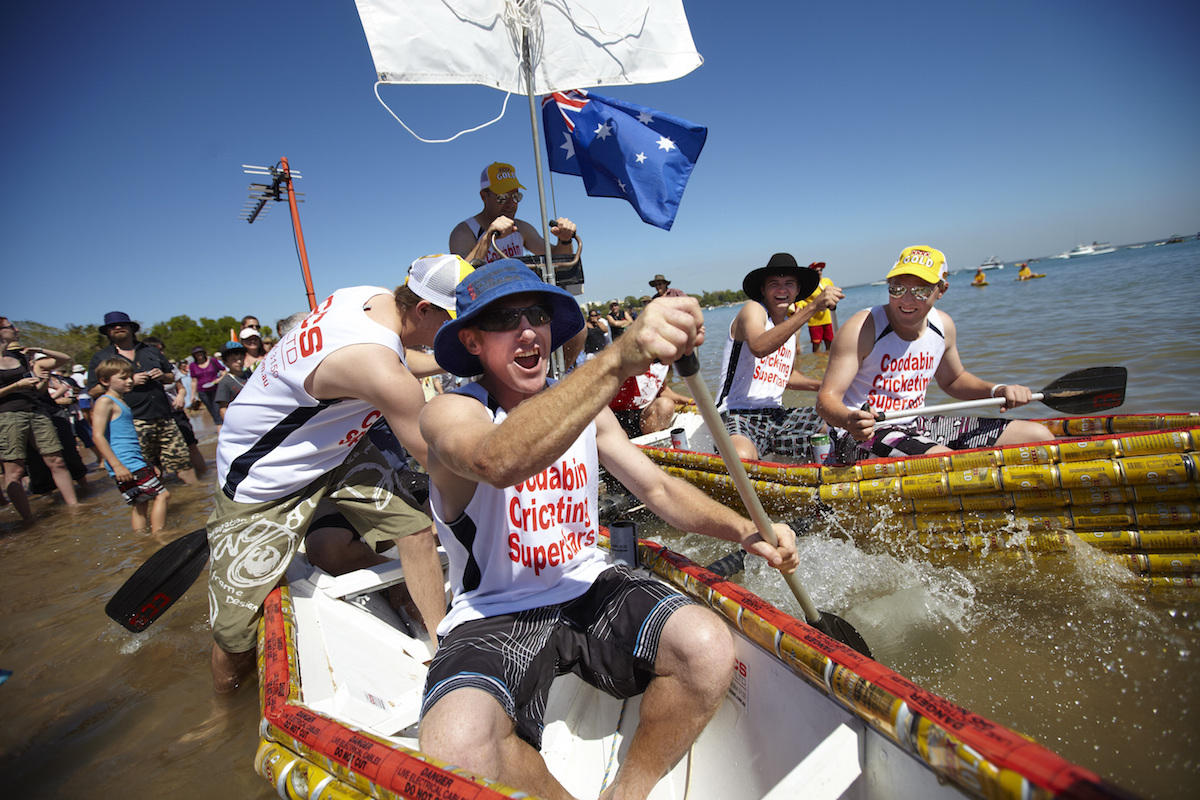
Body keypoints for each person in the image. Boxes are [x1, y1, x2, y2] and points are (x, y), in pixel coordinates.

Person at [416, 260, 798, 800]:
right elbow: (495, 460)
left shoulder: (588, 408)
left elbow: (658, 489)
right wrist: (618, 358)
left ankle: (629, 790)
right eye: (505, 319)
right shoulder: (452, 411)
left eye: (537, 314)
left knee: (708, 650)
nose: (527, 330)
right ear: (473, 341)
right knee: (457, 745)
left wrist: (744, 531)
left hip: (588, 583)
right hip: (493, 609)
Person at [205, 253, 474, 694]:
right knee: (235, 632)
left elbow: (403, 353)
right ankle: (222, 712)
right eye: (457, 326)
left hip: (334, 444)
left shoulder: (366, 297)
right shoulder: (380, 370)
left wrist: (459, 360)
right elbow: (440, 466)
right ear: (423, 310)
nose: (464, 337)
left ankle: (440, 639)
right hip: (266, 471)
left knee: (415, 531)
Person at [816, 245, 1056, 462]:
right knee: (946, 461)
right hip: (861, 434)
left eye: (921, 291)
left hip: (916, 423)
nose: (906, 300)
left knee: (1038, 436)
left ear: (941, 290)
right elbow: (826, 401)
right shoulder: (862, 328)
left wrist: (998, 390)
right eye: (897, 288)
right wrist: (850, 420)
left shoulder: (943, 326)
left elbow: (953, 380)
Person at [448, 162, 585, 364]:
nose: (511, 203)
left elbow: (556, 261)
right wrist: (488, 238)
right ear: (484, 196)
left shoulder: (521, 228)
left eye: (516, 196)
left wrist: (564, 239)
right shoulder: (464, 231)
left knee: (578, 330)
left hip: (521, 305)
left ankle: (549, 383)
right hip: (489, 312)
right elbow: (459, 278)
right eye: (503, 197)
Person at [715, 254, 845, 461]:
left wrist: (823, 385)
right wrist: (812, 308)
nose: (782, 290)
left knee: (838, 423)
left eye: (789, 284)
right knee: (741, 457)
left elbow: (787, 376)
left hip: (777, 415)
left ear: (797, 291)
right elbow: (759, 346)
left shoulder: (790, 330)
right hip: (736, 412)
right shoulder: (754, 310)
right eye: (774, 284)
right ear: (763, 290)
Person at [85, 312, 198, 486]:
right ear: (107, 332)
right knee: (148, 468)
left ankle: (196, 499)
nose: (118, 328)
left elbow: (172, 376)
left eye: (122, 324)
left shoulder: (150, 350)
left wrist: (162, 375)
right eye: (112, 326)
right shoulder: (101, 357)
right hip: (134, 420)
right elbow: (92, 391)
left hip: (164, 416)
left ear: (131, 328)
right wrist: (130, 381)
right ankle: (161, 503)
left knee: (182, 461)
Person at [0, 321, 81, 523]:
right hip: (8, 416)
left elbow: (63, 359)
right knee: (15, 470)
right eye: (11, 326)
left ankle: (75, 508)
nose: (16, 329)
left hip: (36, 411)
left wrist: (39, 353)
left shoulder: (19, 357)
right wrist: (17, 385)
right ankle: (28, 520)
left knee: (57, 460)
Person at [92, 358, 171, 533]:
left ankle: (143, 540)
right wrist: (117, 465)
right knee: (162, 495)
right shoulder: (105, 402)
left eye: (130, 377)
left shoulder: (121, 402)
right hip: (125, 463)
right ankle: (160, 536)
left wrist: (146, 462)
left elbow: (125, 438)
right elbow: (97, 436)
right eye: (123, 378)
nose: (129, 381)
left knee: (140, 503)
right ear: (105, 381)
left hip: (133, 461)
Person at [143, 335, 207, 478]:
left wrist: (180, 396)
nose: (161, 353)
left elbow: (181, 387)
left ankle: (204, 477)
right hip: (153, 416)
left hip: (176, 413)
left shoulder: (169, 367)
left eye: (161, 350)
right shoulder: (140, 368)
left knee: (191, 444)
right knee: (155, 456)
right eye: (157, 350)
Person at [609, 362, 694, 438]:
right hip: (615, 414)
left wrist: (690, 401)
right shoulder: (628, 360)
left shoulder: (662, 364)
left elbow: (663, 390)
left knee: (666, 404)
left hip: (645, 414)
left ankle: (651, 440)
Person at [797, 261, 837, 352]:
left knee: (830, 344)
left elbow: (833, 294)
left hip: (827, 318)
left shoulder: (827, 281)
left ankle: (826, 362)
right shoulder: (809, 285)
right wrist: (801, 308)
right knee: (816, 345)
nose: (819, 272)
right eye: (816, 271)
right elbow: (801, 300)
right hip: (814, 320)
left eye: (820, 270)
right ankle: (817, 364)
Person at [188, 346, 225, 425]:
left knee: (217, 409)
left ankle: (221, 425)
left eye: (200, 352)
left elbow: (223, 370)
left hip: (216, 389)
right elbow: (194, 380)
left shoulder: (212, 360)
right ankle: (219, 424)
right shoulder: (193, 365)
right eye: (197, 353)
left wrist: (220, 379)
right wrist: (193, 395)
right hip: (202, 391)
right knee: (212, 410)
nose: (199, 355)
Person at [213, 340, 249, 419]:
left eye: (241, 358)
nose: (239, 362)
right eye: (234, 360)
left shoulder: (250, 375)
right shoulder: (225, 382)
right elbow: (223, 409)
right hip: (239, 418)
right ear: (225, 363)